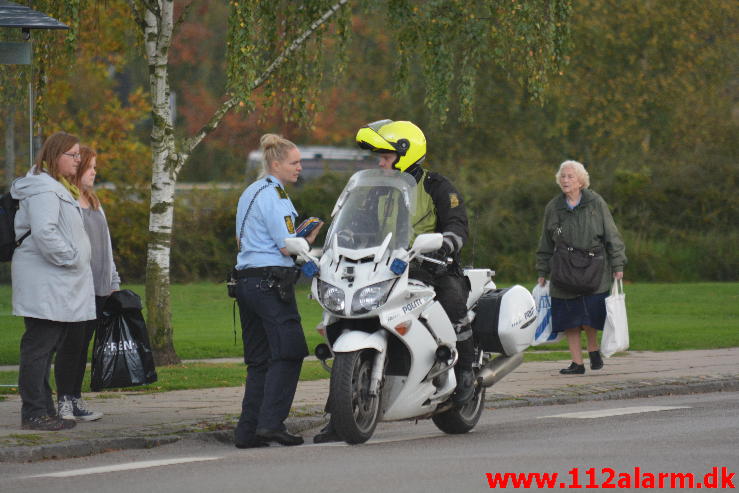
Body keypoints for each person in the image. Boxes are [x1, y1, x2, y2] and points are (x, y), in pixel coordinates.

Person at [314, 119, 474, 443]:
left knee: (454, 302)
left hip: (430, 266)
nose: (380, 162)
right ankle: (340, 414)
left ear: (405, 154)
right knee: (348, 316)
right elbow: (358, 220)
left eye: (385, 156)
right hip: (385, 267)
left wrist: (449, 241)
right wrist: (343, 236)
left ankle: (466, 372)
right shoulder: (378, 191)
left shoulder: (437, 186)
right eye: (380, 157)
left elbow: (457, 224)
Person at [232, 133, 323, 448]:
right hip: (270, 284)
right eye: (294, 163)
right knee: (289, 350)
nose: (299, 168)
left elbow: (243, 242)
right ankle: (270, 424)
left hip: (246, 281)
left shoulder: (250, 192)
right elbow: (287, 246)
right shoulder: (276, 195)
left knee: (259, 359)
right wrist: (308, 239)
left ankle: (248, 431)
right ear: (275, 164)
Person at [11, 132, 96, 431]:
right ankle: (34, 412)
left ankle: (44, 409)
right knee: (39, 347)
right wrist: (72, 258)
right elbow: (45, 232)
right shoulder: (45, 190)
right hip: (46, 282)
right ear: (56, 155)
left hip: (54, 282)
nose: (77, 160)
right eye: (72, 155)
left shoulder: (55, 188)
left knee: (45, 346)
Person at [535, 160, 627, 374]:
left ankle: (593, 348)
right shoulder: (553, 207)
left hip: (593, 268)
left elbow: (612, 234)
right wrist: (542, 270)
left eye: (570, 176)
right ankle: (577, 363)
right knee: (569, 318)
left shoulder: (596, 202)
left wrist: (618, 263)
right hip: (563, 268)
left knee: (589, 314)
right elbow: (545, 242)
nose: (565, 180)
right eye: (563, 176)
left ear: (580, 181)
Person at [54, 146, 120, 421]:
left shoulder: (94, 201)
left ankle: (76, 397)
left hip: (99, 287)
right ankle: (64, 400)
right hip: (77, 285)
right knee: (71, 343)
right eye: (90, 167)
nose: (94, 172)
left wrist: (113, 279)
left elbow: (105, 244)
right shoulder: (67, 202)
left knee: (84, 346)